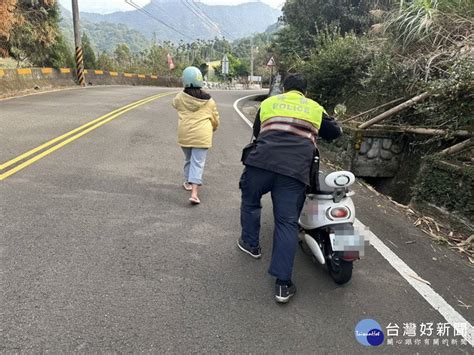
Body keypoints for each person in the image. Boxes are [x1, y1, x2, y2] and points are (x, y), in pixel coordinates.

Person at [238, 73, 342, 303]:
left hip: (260, 163)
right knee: (286, 222)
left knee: (250, 199)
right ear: (305, 91)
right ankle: (283, 285)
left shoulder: (269, 103)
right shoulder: (314, 107)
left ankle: (250, 243)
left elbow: (257, 132)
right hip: (294, 171)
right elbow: (335, 133)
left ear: (284, 88)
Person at [172, 66, 220, 205]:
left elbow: (174, 104)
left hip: (185, 134)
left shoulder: (180, 97)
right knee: (197, 163)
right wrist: (214, 128)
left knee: (188, 159)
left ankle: (188, 182)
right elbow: (215, 118)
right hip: (202, 135)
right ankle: (194, 194)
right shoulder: (209, 101)